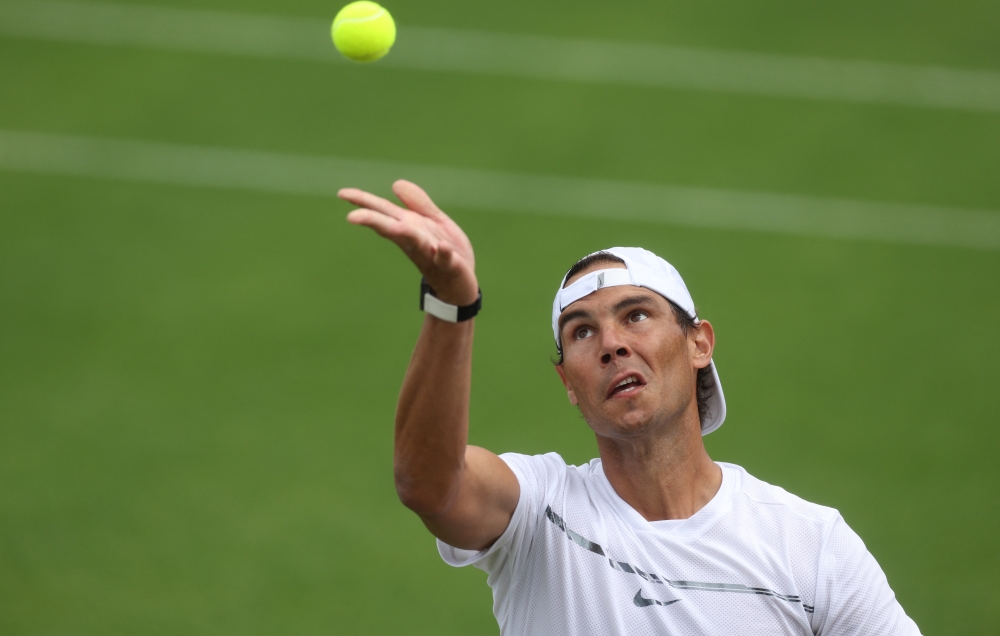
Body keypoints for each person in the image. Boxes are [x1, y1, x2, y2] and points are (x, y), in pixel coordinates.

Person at [337, 180, 921, 635]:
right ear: (568, 382)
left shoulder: (810, 545)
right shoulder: (538, 513)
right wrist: (451, 304)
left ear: (699, 344)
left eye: (636, 315)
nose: (612, 344)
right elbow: (428, 484)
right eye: (581, 332)